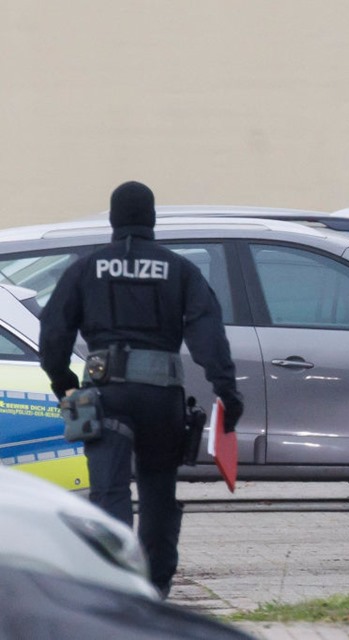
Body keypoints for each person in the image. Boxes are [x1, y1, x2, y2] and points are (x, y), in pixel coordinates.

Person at [39, 181, 244, 598]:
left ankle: (115, 586)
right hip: (161, 400)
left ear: (114, 219)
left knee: (109, 492)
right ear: (152, 219)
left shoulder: (85, 269)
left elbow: (54, 332)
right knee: (157, 492)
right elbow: (209, 335)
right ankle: (155, 587)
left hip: (106, 398)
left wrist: (65, 383)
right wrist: (227, 391)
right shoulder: (180, 270)